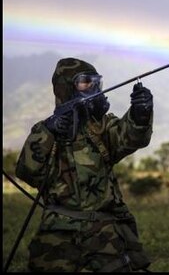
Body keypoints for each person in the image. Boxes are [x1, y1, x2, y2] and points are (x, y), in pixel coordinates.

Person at [15, 58, 153, 272]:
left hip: (104, 233)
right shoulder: (45, 131)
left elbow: (131, 138)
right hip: (57, 233)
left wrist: (140, 114)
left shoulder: (103, 126)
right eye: (85, 82)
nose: (93, 87)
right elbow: (26, 171)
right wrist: (49, 132)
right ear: (67, 87)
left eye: (96, 81)